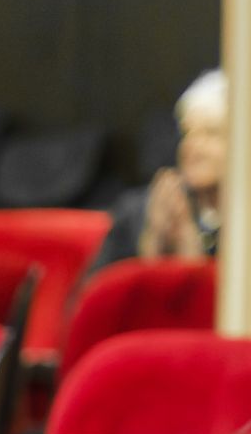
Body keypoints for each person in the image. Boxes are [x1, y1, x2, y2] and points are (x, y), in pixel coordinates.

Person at [86, 71, 226, 280]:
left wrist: (194, 262)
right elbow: (93, 295)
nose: (191, 147)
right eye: (187, 133)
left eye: (211, 134)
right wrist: (151, 247)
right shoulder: (137, 213)